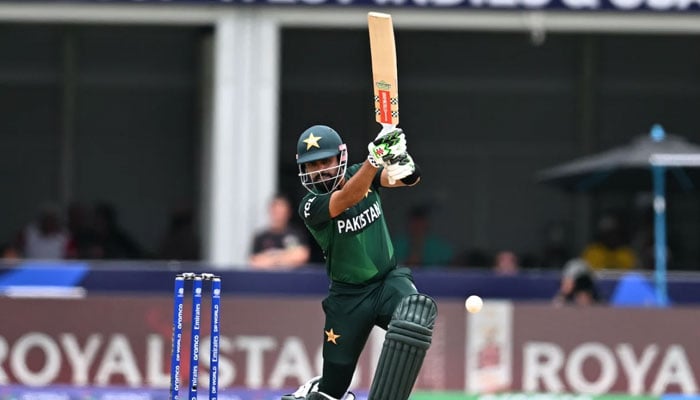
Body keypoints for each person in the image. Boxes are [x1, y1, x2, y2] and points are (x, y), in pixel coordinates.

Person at [283, 125, 437, 400]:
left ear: (340, 157)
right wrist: (375, 158)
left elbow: (407, 179)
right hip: (347, 299)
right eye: (311, 165)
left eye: (325, 161)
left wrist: (400, 158)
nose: (320, 170)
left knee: (415, 317)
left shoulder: (362, 172)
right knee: (332, 390)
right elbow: (347, 198)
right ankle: (314, 390)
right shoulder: (310, 204)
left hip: (387, 282)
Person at [249, 194, 310, 270]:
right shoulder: (261, 237)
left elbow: (302, 256)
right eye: (276, 211)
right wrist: (288, 256)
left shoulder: (296, 234)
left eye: (282, 211)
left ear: (288, 212)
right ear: (270, 211)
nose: (279, 214)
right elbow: (254, 262)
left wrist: (271, 258)